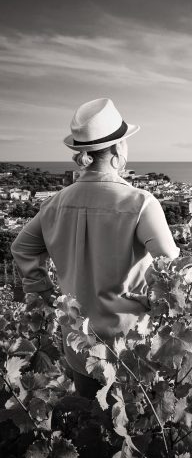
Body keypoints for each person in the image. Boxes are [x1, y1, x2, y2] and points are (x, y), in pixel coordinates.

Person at [11, 98, 179, 398]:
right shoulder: (140, 203)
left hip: (79, 343)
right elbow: (171, 265)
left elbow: (22, 247)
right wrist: (153, 303)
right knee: (138, 427)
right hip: (132, 345)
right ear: (118, 149)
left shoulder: (54, 203)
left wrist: (44, 290)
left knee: (95, 416)